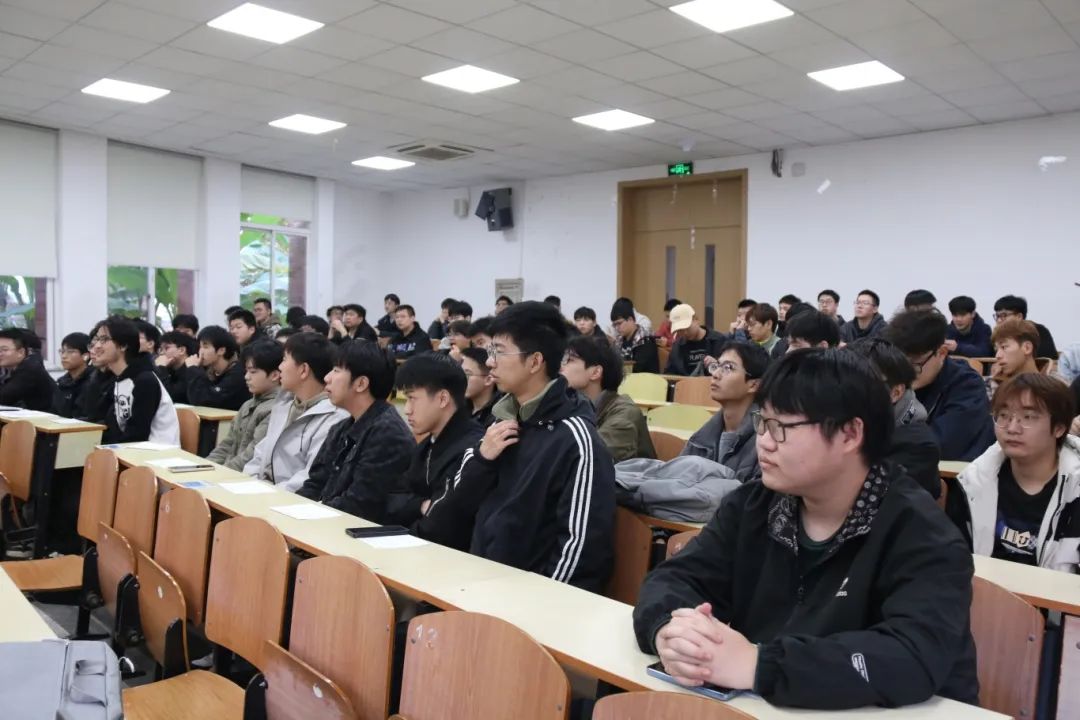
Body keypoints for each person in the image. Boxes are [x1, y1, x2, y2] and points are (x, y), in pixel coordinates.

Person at [633, 349, 979, 709]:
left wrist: (759, 665)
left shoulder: (922, 534)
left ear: (849, 434)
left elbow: (910, 656)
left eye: (781, 427)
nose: (764, 441)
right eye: (762, 422)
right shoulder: (752, 505)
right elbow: (674, 578)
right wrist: (671, 631)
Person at [460, 301, 615, 592]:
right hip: (481, 581)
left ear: (534, 362)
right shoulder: (501, 420)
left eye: (499, 351)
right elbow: (462, 503)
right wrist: (482, 459)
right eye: (490, 351)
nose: (490, 362)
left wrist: (535, 604)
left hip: (530, 601)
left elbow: (580, 551)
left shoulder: (577, 440)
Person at [952, 373, 1078, 573]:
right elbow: (954, 561)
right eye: (1003, 416)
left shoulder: (1075, 491)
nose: (1012, 428)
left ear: (1059, 428)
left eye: (1028, 417)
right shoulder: (972, 483)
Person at [298, 341, 414, 521]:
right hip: (326, 522)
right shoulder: (341, 427)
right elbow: (315, 483)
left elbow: (358, 505)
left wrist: (307, 516)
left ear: (361, 384)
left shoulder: (388, 434)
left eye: (336, 370)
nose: (327, 378)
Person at [387, 354, 486, 550]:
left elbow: (440, 526)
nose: (407, 410)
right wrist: (421, 505)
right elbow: (391, 500)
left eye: (412, 398)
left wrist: (412, 509)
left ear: (442, 398)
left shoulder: (472, 448)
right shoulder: (427, 444)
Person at [885, 310, 995, 461]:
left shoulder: (968, 386)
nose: (904, 373)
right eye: (899, 363)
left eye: (914, 365)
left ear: (942, 352)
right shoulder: (891, 379)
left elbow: (939, 444)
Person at [245, 333, 346, 491]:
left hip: (287, 499)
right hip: (260, 492)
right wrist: (248, 483)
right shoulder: (284, 403)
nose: (279, 367)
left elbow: (309, 477)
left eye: (284, 360)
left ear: (303, 370)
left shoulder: (334, 418)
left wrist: (264, 493)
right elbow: (261, 454)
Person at [846, 338, 941, 498]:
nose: (847, 393)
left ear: (895, 393)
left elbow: (871, 500)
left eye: (862, 384)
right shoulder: (845, 422)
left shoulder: (918, 446)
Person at [679, 342, 768, 482]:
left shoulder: (766, 441)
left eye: (728, 368)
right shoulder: (703, 435)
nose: (715, 374)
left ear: (754, 385)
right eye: (716, 366)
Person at [560, 336, 655, 462]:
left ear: (595, 373)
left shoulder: (625, 414)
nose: (561, 367)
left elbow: (590, 457)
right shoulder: (572, 405)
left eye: (570, 360)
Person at [92, 316, 179, 445]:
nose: (97, 346)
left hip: (156, 451)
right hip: (132, 449)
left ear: (123, 345)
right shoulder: (120, 378)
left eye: (104, 340)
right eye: (97, 339)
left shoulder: (145, 380)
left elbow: (138, 434)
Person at [207, 340, 283, 471]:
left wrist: (219, 473)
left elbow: (251, 457)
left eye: (253, 372)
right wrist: (205, 466)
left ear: (275, 375)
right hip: (228, 472)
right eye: (246, 371)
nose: (246, 377)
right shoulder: (247, 405)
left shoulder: (276, 409)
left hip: (243, 476)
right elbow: (227, 444)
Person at [185, 326, 249, 410]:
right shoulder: (209, 371)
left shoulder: (238, 374)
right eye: (200, 347)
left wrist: (193, 370)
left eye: (205, 347)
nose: (200, 352)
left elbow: (205, 402)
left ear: (221, 350)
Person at [0, 329, 56, 411]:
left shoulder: (30, 369)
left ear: (21, 352)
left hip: (46, 418)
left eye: (4, 350)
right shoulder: (10, 369)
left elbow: (4, 397)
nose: (0, 354)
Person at [664, 304, 726, 376]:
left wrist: (717, 365)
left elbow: (729, 372)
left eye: (687, 327)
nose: (685, 333)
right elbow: (669, 374)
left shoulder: (719, 340)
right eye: (680, 330)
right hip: (684, 382)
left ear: (696, 319)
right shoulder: (677, 347)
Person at [988, 318, 1041, 398]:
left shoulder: (1050, 388)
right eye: (996, 350)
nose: (997, 356)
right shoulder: (992, 383)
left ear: (1027, 348)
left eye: (1004, 347)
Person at [993, 295, 1058, 359]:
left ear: (1019, 316)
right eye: (997, 316)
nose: (999, 320)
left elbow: (1047, 357)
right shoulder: (997, 335)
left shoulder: (1038, 330)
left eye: (1004, 315)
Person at [610, 299, 659, 374]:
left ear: (630, 319)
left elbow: (636, 369)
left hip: (644, 379)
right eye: (614, 325)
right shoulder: (619, 340)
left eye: (619, 323)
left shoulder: (645, 339)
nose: (617, 328)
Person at [53, 332, 95, 418]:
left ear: (86, 356)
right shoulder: (61, 383)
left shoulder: (93, 382)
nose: (64, 356)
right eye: (62, 351)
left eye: (70, 352)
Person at [154, 330, 197, 404]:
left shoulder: (191, 370)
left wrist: (161, 368)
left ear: (182, 350)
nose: (162, 353)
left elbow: (171, 395)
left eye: (166, 348)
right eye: (161, 349)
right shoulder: (169, 369)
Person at [460, 347, 500, 426]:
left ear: (488, 379)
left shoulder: (499, 415)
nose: (461, 379)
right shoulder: (458, 408)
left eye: (467, 374)